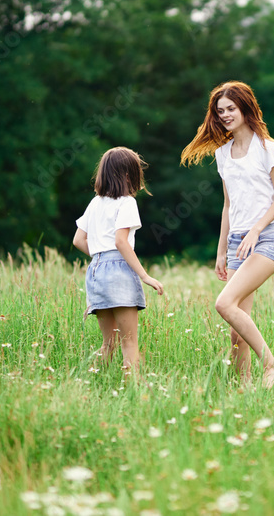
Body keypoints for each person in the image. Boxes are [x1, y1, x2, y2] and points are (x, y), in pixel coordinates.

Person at [181, 81, 274, 388]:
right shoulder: (223, 154)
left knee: (224, 305)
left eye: (231, 109)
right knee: (236, 331)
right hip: (237, 244)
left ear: (245, 108)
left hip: (266, 240)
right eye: (220, 111)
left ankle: (272, 366)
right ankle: (245, 390)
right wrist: (222, 251)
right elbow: (228, 205)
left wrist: (256, 230)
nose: (226, 115)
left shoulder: (267, 149)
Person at [73, 147, 164, 378]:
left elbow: (78, 240)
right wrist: (145, 276)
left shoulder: (95, 203)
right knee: (129, 344)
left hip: (96, 270)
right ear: (128, 175)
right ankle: (134, 391)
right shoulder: (127, 203)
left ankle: (90, 381)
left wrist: (100, 257)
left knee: (108, 343)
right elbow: (121, 242)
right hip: (119, 270)